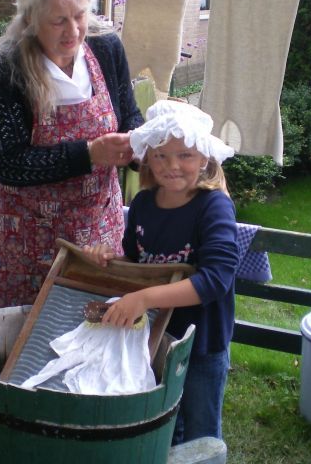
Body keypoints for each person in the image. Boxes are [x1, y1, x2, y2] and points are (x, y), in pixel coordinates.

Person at [0, 0, 143, 310]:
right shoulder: (7, 68)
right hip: (27, 240)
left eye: (80, 14)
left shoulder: (105, 46)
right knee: (28, 344)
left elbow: (129, 115)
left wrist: (141, 147)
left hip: (98, 230)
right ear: (31, 20)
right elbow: (8, 163)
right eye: (59, 20)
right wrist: (88, 154)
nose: (74, 30)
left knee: (95, 335)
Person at [83, 99, 239, 444]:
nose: (173, 166)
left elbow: (216, 279)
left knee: (199, 435)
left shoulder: (213, 207)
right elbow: (139, 265)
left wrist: (143, 298)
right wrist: (110, 259)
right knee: (163, 426)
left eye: (185, 155)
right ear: (148, 160)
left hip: (200, 343)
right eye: (161, 155)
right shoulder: (142, 205)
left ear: (203, 158)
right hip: (154, 337)